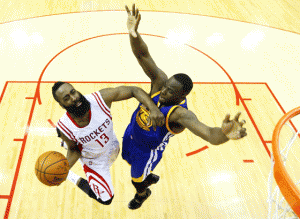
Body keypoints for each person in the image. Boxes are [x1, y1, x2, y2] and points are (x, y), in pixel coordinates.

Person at [123, 4, 247, 210]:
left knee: (136, 179)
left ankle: (142, 193)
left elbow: (210, 134)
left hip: (147, 150)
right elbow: (142, 55)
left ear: (182, 95)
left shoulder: (180, 114)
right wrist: (133, 33)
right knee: (128, 160)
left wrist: (225, 133)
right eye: (166, 87)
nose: (164, 91)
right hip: (131, 134)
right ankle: (147, 175)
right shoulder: (160, 82)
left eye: (171, 91)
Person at [52, 81, 165, 205]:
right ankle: (70, 176)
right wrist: (63, 172)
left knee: (137, 158)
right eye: (66, 98)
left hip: (113, 145)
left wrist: (153, 108)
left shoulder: (100, 99)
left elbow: (134, 90)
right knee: (106, 199)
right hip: (94, 161)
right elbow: (74, 150)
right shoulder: (64, 128)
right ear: (62, 105)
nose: (74, 98)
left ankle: (144, 179)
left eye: (73, 92)